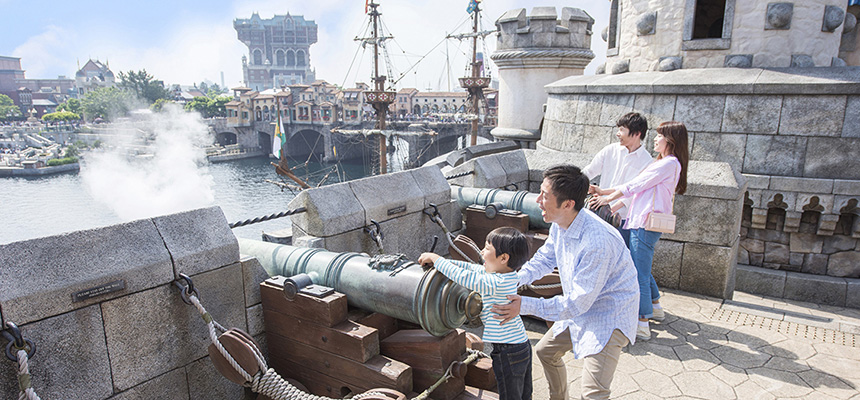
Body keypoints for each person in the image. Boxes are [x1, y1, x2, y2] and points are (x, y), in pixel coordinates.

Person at [493, 165, 639, 400]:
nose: (538, 200)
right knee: (545, 352)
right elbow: (545, 259)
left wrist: (523, 305)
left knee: (594, 393)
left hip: (610, 314)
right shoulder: (561, 222)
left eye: (545, 196)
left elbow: (576, 304)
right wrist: (513, 281)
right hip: (583, 304)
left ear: (568, 204)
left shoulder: (597, 243)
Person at [592, 121, 689, 341]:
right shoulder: (664, 162)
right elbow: (636, 187)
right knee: (639, 266)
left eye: (660, 136)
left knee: (638, 274)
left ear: (670, 140)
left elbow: (635, 186)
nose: (655, 139)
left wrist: (607, 198)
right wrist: (604, 194)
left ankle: (641, 323)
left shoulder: (668, 164)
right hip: (638, 222)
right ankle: (654, 306)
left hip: (644, 224)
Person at [418, 227, 533, 400]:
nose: (481, 251)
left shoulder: (496, 283)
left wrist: (437, 259)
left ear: (503, 258)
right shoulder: (506, 275)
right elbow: (473, 269)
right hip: (520, 346)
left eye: (487, 248)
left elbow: (465, 277)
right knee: (523, 394)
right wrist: (445, 262)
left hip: (508, 351)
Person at [582, 112, 653, 247]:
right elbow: (590, 171)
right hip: (600, 213)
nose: (618, 134)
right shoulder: (610, 150)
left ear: (637, 133)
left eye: (622, 129)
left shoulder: (647, 161)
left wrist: (611, 209)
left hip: (624, 220)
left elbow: (634, 193)